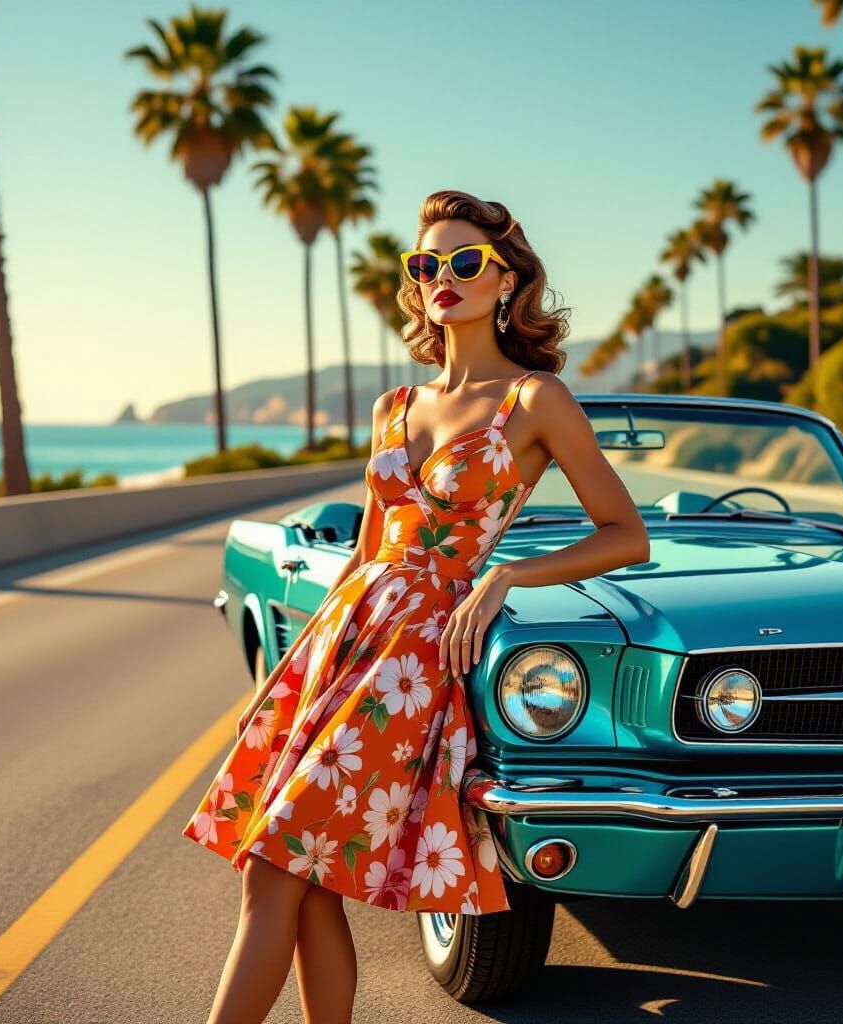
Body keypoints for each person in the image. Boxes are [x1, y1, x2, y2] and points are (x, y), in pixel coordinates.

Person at [182, 188, 650, 1024]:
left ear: (507, 281)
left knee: (274, 871)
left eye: (467, 261)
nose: (444, 276)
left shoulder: (535, 402)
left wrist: (505, 577)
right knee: (308, 880)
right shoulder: (393, 408)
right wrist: (295, 676)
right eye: (427, 263)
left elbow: (625, 534)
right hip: (347, 640)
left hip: (418, 655)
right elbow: (366, 554)